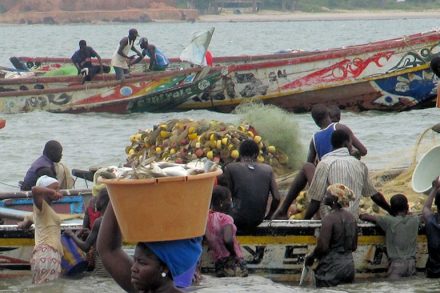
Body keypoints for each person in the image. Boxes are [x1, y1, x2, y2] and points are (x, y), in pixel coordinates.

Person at [271, 104, 366, 219]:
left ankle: (283, 210)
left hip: (327, 188)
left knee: (307, 167)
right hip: (346, 185)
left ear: (315, 121)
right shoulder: (340, 128)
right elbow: (363, 151)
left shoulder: (315, 138)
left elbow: (309, 165)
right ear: (328, 115)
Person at [97, 201, 202, 293]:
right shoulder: (146, 288)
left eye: (142, 263)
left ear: (165, 268)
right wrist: (116, 193)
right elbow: (109, 250)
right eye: (135, 260)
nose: (133, 268)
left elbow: (109, 250)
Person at [303, 129, 391, 219]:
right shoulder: (359, 165)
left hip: (330, 220)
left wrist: (304, 222)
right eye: (351, 144)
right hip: (352, 220)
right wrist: (391, 211)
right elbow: (375, 195)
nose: (351, 147)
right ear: (346, 144)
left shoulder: (324, 164)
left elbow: (315, 201)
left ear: (332, 144)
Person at [222, 139, 280, 232]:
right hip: (258, 220)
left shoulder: (230, 168)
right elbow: (277, 198)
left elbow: (228, 195)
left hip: (237, 220)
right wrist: (269, 216)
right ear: (256, 155)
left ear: (240, 154)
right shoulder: (268, 169)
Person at [304, 184, 357, 287]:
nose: (324, 196)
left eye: (327, 194)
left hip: (331, 268)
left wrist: (311, 257)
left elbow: (323, 247)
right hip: (349, 268)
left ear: (335, 198)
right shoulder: (352, 218)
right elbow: (354, 246)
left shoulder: (329, 219)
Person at [360, 194, 419, 279]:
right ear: (407, 206)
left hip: (397, 265)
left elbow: (364, 216)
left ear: (392, 208)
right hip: (412, 264)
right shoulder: (414, 220)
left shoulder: (388, 220)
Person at [17, 176, 63, 284]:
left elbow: (29, 220)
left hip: (43, 255)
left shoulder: (42, 210)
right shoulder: (41, 207)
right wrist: (52, 192)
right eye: (54, 189)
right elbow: (35, 190)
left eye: (58, 189)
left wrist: (23, 224)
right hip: (47, 253)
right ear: (44, 190)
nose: (57, 192)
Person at [64, 188, 110, 275]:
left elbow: (85, 247)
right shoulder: (115, 220)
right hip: (113, 269)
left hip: (102, 269)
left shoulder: (99, 221)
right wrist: (91, 233)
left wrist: (71, 234)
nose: (95, 201)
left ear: (102, 202)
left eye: (97, 199)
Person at [205, 185, 248, 277]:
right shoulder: (226, 218)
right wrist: (233, 254)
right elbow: (227, 239)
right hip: (234, 262)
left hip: (219, 263)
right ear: (221, 202)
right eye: (229, 199)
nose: (230, 203)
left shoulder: (206, 218)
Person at [422, 176, 440, 278]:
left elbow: (425, 208)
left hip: (434, 272)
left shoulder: (430, 221)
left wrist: (434, 188)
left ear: (436, 204)